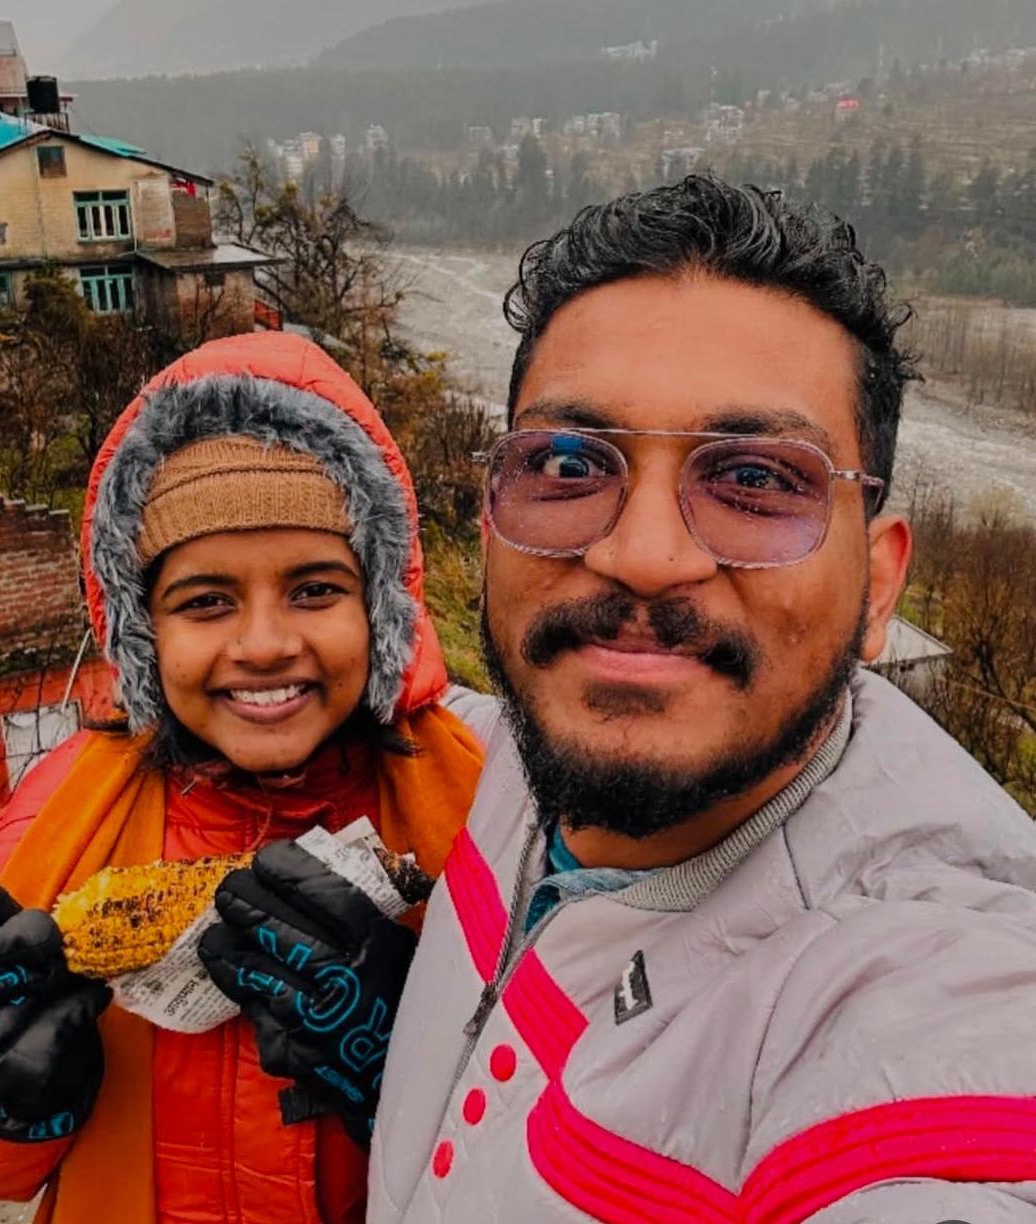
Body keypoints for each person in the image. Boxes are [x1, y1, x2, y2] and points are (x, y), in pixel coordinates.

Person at [355, 176, 1036, 1220]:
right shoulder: (512, 746)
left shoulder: (922, 978)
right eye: (568, 463)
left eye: (755, 480)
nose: (642, 556)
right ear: (490, 528)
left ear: (878, 584)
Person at [0, 332, 483, 1224]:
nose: (264, 644)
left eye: (315, 590)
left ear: (382, 606)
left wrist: (408, 1066)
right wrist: (3, 1107)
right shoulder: (46, 822)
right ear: (141, 632)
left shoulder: (484, 817)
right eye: (205, 602)